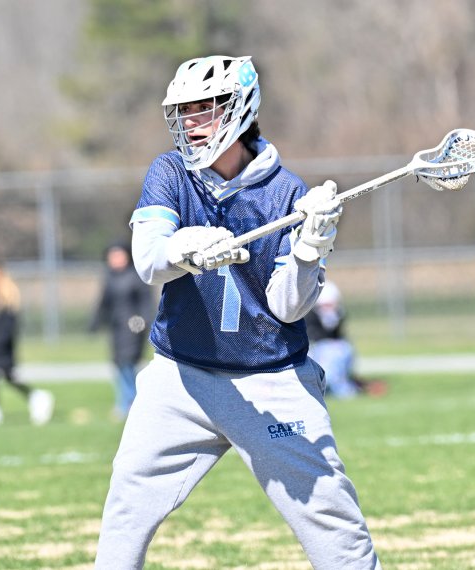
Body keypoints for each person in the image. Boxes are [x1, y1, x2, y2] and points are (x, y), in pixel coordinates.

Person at [94, 55, 382, 569]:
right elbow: (148, 259)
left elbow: (287, 307)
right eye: (184, 111)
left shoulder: (287, 192)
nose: (191, 122)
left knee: (332, 525)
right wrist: (185, 248)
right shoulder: (171, 172)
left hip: (271, 378)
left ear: (240, 110)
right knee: (125, 511)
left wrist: (310, 247)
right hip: (182, 377)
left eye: (205, 109)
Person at [0, 259, 54, 428]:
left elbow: (9, 328)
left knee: (8, 377)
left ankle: (37, 397)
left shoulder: (7, 296)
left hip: (1, 347)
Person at [88, 241, 152, 421]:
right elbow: (104, 304)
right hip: (116, 328)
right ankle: (125, 401)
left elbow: (146, 303)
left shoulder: (135, 276)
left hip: (133, 328)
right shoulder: (110, 278)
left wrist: (143, 322)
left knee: (128, 363)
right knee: (119, 364)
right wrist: (95, 322)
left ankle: (129, 402)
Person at [305, 280, 388, 399]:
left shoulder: (339, 316)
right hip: (319, 356)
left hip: (336, 358)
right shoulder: (310, 318)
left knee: (344, 349)